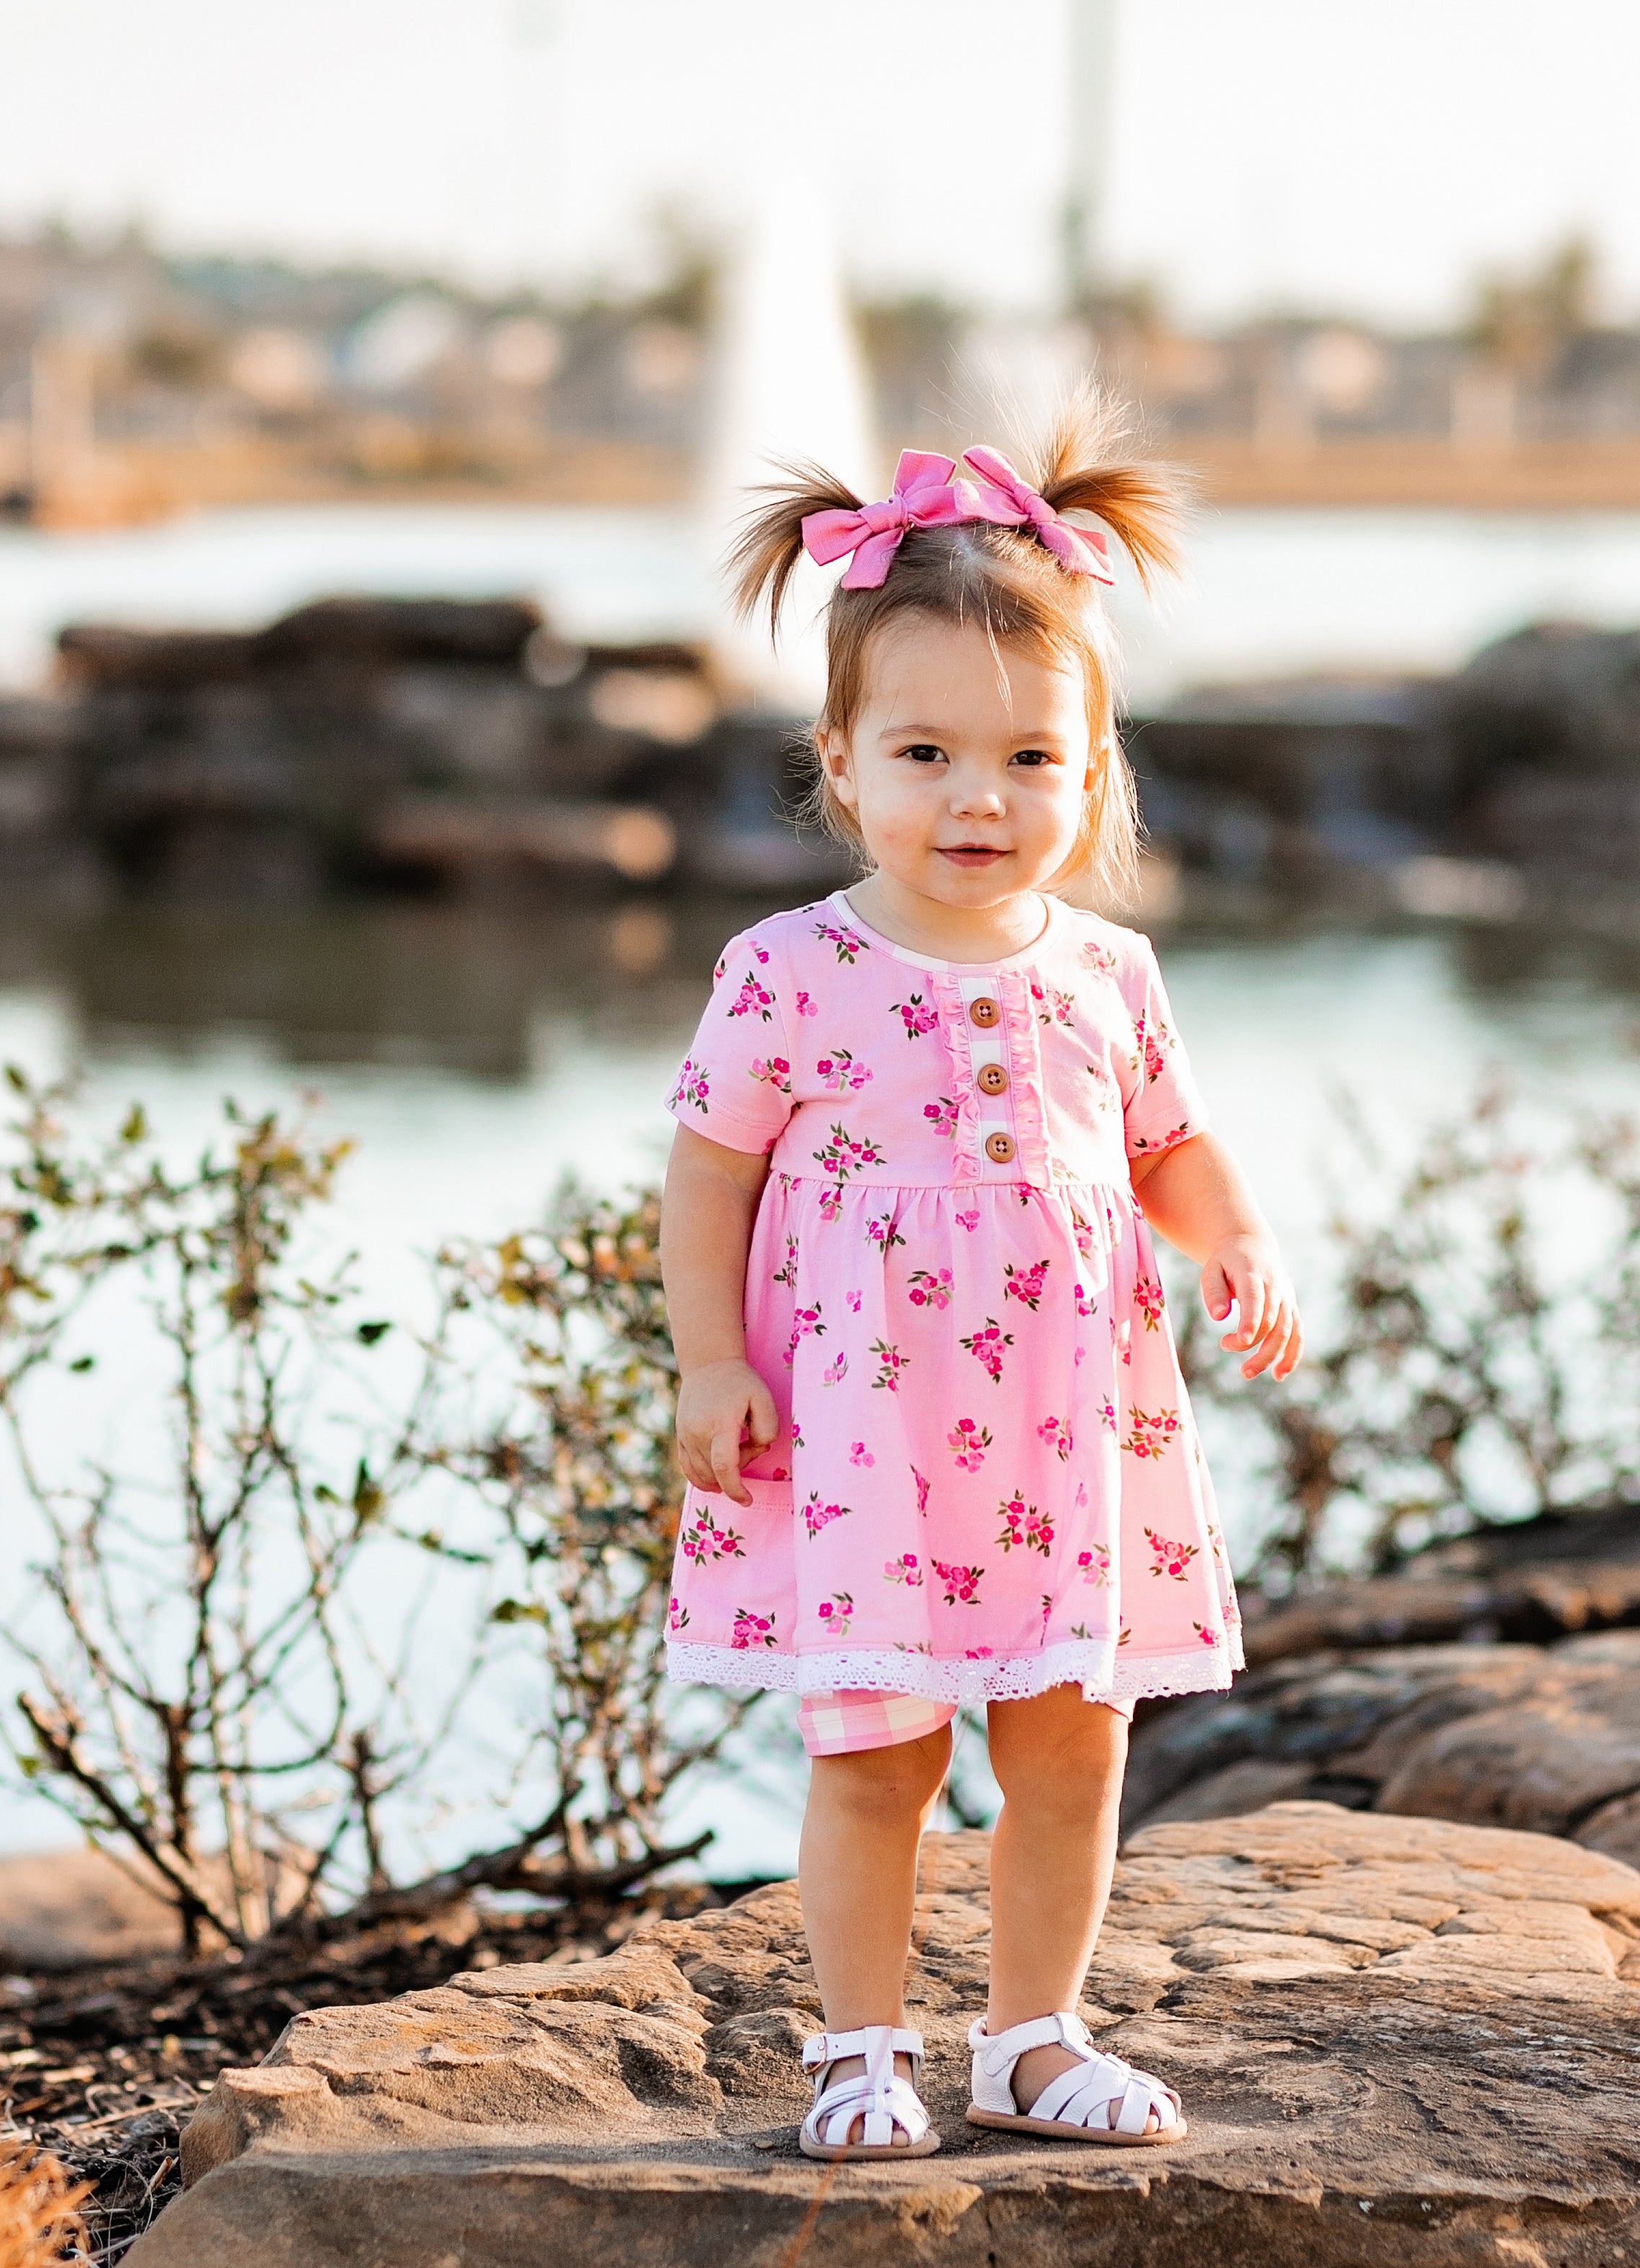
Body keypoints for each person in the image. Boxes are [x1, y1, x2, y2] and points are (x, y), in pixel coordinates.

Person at [660, 403, 1302, 2162]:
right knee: (873, 1753)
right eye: (928, 753)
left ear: (1092, 773)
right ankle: (859, 2047)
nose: (979, 796)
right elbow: (709, 1170)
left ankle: (1030, 2035)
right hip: (866, 1433)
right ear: (843, 761)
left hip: (1061, 1430)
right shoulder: (791, 968)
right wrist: (706, 1362)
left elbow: (1167, 1144)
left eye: (1031, 759)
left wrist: (1233, 1233)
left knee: (1068, 1745)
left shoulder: (1107, 968)